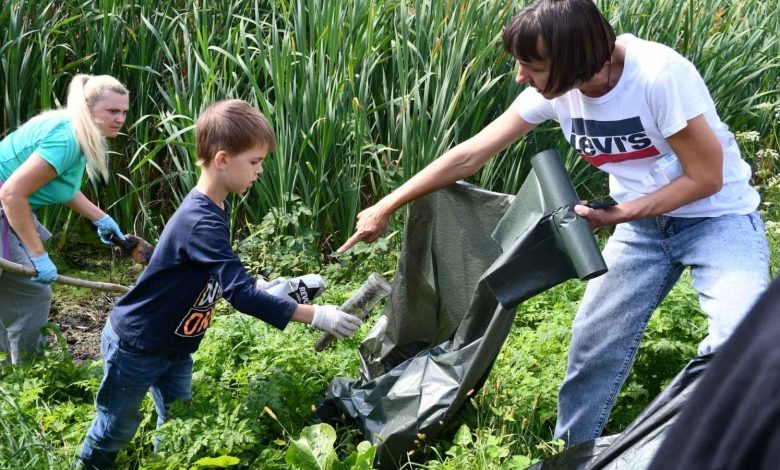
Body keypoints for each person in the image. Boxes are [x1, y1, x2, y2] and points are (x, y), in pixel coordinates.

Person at [337, 0, 769, 448]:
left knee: (742, 342)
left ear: (574, 59)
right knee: (592, 347)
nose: (521, 76)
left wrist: (617, 214)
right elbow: (470, 154)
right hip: (642, 230)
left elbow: (705, 178)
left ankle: (695, 446)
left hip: (717, 219)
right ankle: (573, 453)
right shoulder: (558, 90)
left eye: (532, 65)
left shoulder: (659, 77)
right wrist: (386, 204)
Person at [78, 99, 363, 469]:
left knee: (178, 421)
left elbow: (216, 271)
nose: (259, 171)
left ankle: (165, 463)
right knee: (117, 426)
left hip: (176, 345)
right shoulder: (202, 219)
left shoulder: (216, 206)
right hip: (138, 344)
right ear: (223, 159)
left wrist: (266, 285)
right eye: (255, 162)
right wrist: (317, 316)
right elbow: (239, 295)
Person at [0, 74, 129, 365]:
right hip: (5, 204)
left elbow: (59, 184)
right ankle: (30, 370)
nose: (120, 119)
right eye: (112, 111)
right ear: (89, 109)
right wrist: (39, 256)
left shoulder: (75, 130)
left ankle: (11, 361)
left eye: (123, 112)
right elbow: (11, 194)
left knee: (14, 290)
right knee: (32, 295)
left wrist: (100, 218)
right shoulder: (67, 138)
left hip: (8, 206)